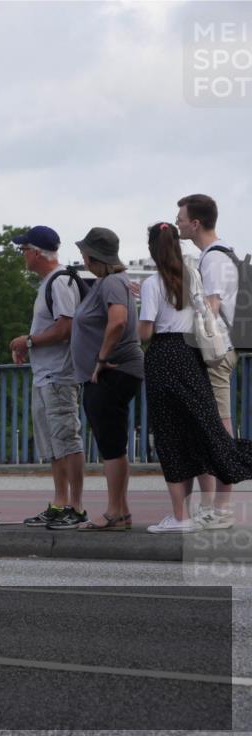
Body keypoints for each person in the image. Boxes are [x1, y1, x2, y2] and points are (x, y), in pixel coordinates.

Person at [139, 222, 252, 533]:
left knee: (169, 436)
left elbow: (146, 331)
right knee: (200, 428)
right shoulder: (193, 277)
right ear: (177, 246)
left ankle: (180, 516)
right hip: (191, 355)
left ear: (152, 250)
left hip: (163, 356)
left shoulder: (152, 284)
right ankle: (212, 497)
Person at [9, 226, 87, 530]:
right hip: (45, 373)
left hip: (60, 374)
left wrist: (28, 342)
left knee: (67, 438)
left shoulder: (60, 280)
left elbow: (65, 327)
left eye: (24, 250)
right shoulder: (48, 283)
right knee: (54, 443)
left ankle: (76, 506)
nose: (23, 256)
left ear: (37, 253)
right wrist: (30, 345)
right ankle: (59, 502)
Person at [71, 228, 144, 531]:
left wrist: (101, 359)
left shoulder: (112, 282)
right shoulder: (109, 282)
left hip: (113, 370)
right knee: (111, 442)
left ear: (93, 256)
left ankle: (115, 511)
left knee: (111, 443)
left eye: (85, 254)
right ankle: (121, 511)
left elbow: (118, 321)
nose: (83, 258)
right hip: (113, 371)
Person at [176, 194, 239, 530]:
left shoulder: (213, 259)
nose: (178, 223)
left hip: (215, 352)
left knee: (219, 428)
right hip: (224, 349)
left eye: (181, 218)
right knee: (214, 426)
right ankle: (216, 505)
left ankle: (223, 507)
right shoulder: (223, 252)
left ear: (195, 223)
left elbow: (210, 308)